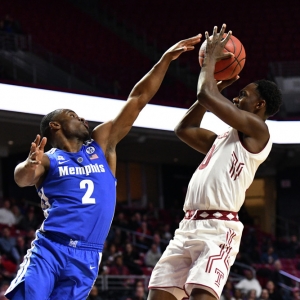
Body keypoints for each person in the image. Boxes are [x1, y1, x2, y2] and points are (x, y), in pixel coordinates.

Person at [5, 34, 202, 300]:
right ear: (55, 126)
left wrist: (165, 60)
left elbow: (138, 98)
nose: (82, 118)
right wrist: (29, 164)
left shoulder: (101, 144)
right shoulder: (48, 158)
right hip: (51, 247)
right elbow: (22, 179)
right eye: (73, 116)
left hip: (88, 254)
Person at [147, 24, 282, 300]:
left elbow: (204, 94)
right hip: (187, 227)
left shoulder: (258, 131)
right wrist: (216, 86)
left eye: (244, 94)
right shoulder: (223, 138)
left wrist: (210, 62)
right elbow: (183, 129)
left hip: (219, 229)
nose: (236, 96)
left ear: (260, 105)